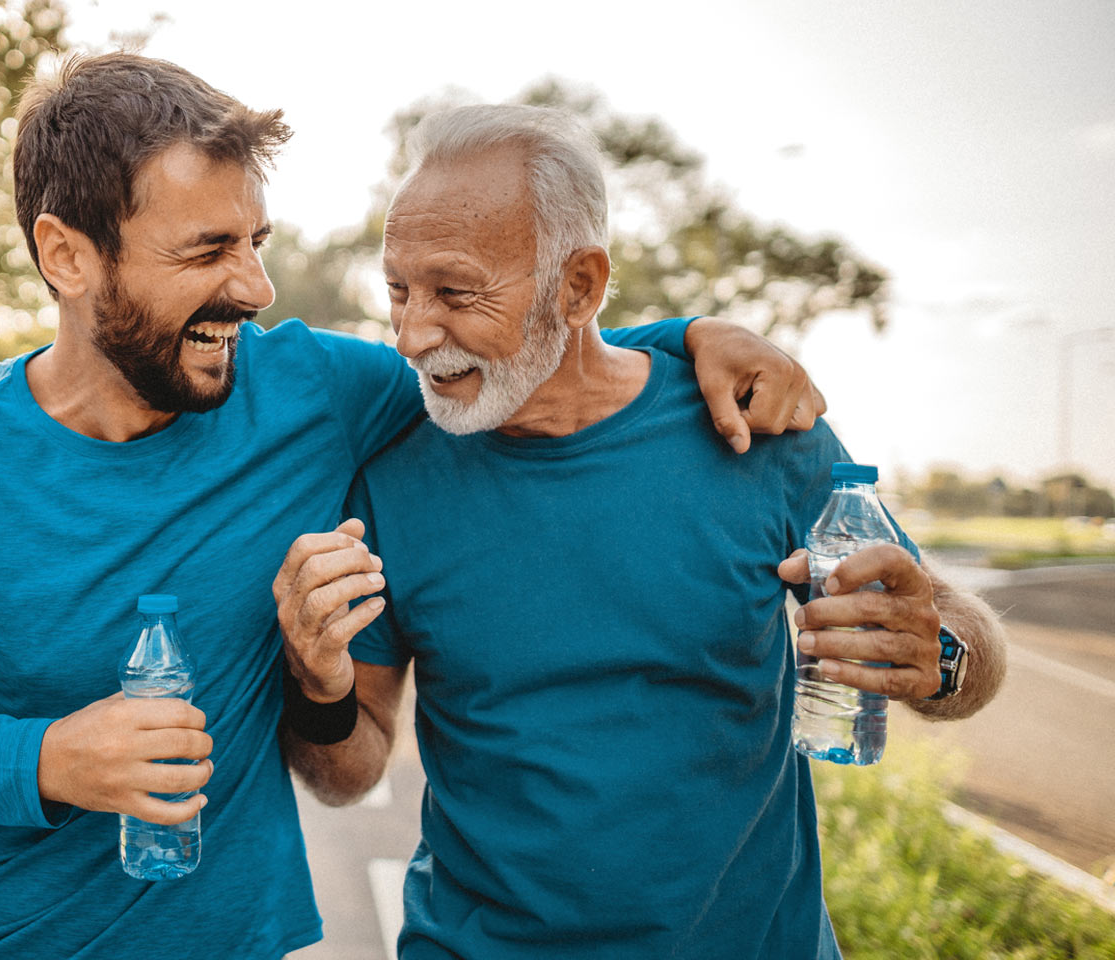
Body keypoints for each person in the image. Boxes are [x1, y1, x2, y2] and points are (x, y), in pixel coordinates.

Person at [0, 54, 826, 960]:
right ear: (66, 256)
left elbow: (518, 354)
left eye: (256, 240)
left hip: (245, 942)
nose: (255, 285)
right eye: (207, 249)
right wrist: (43, 758)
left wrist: (687, 337)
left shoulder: (311, 392)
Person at [273, 104, 1010, 960]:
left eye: (455, 292)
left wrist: (941, 658)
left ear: (579, 286)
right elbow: (348, 773)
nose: (410, 334)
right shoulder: (391, 482)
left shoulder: (755, 429)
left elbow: (961, 641)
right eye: (397, 290)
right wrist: (316, 683)